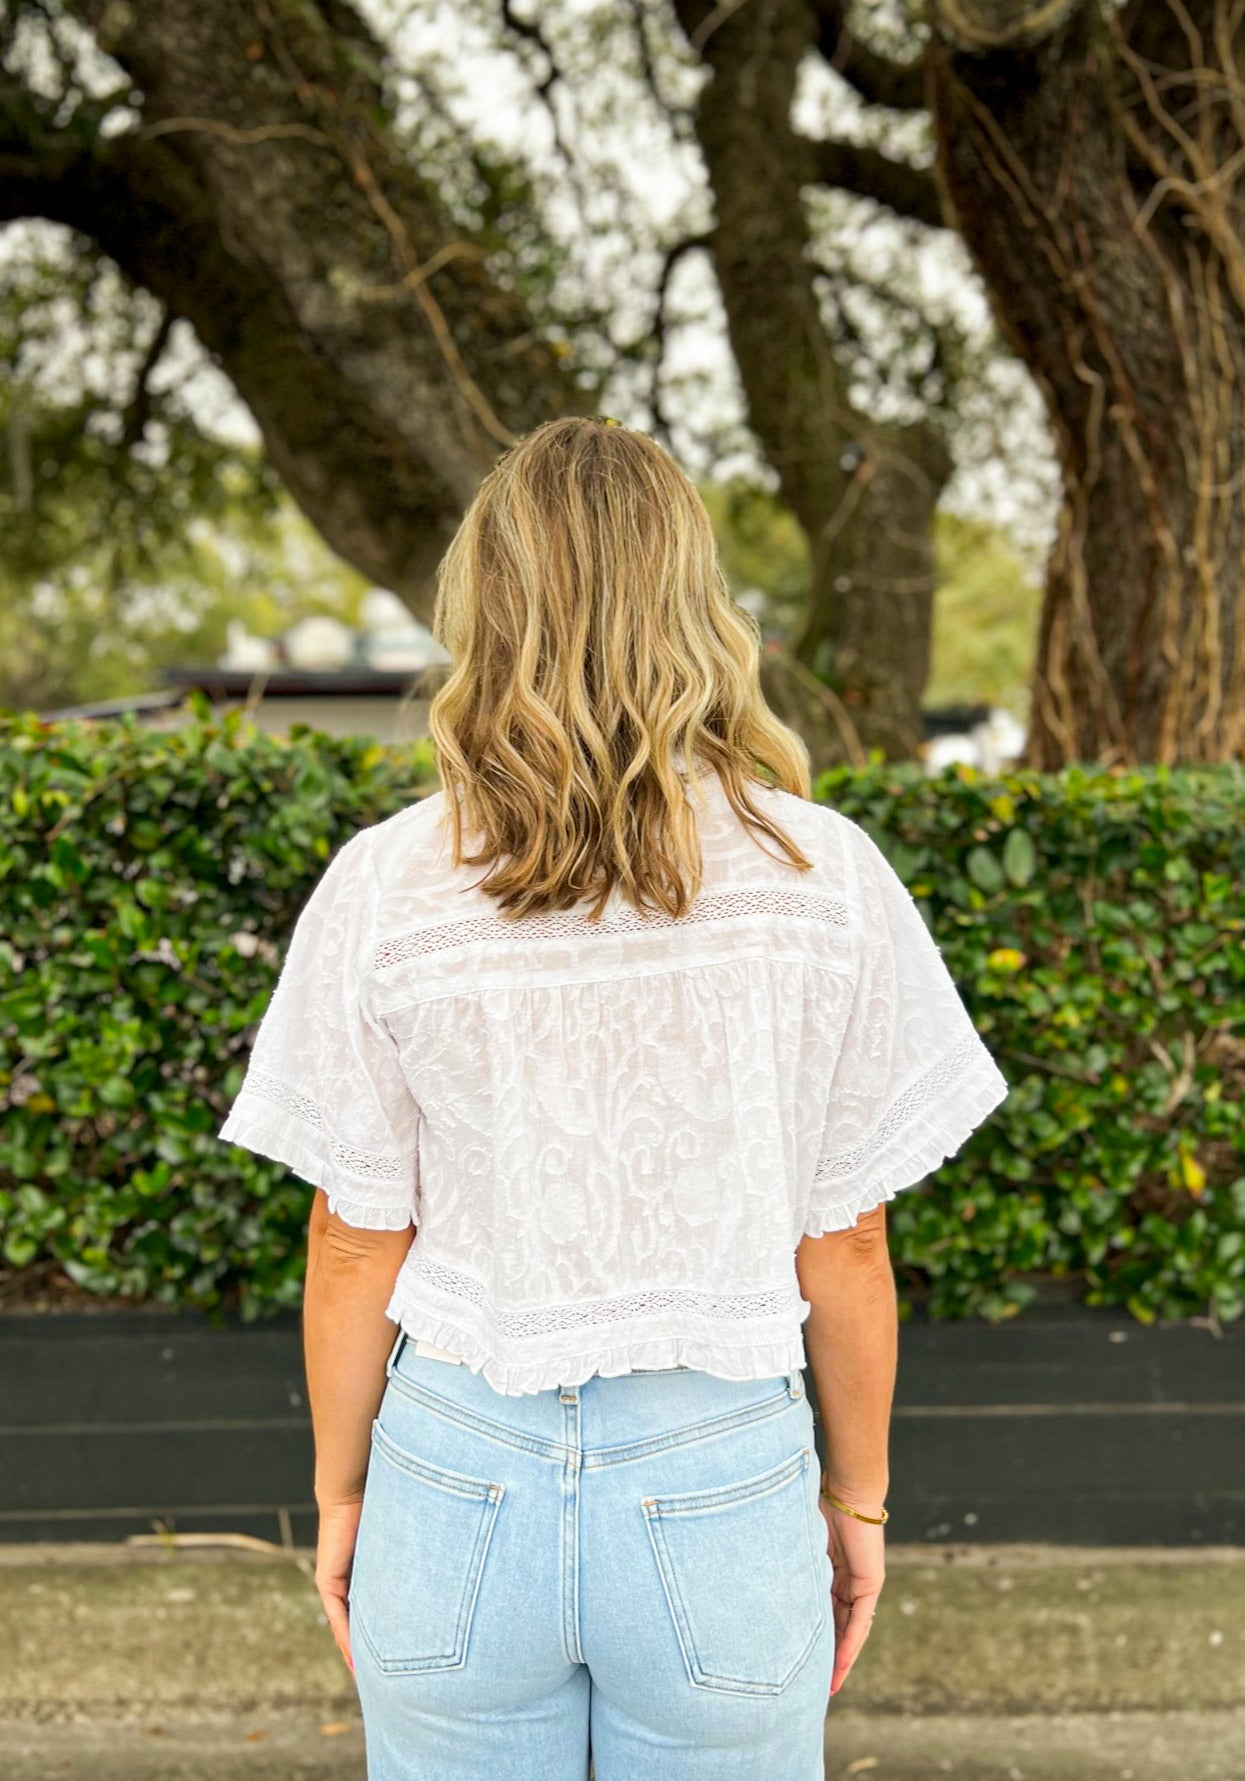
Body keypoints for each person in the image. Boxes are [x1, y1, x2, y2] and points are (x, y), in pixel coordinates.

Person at [218, 415, 1009, 1780]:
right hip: (720, 1471)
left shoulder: (387, 883)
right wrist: (860, 1500)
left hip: (455, 1472)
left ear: (487, 607)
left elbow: (353, 1240)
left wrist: (344, 1495)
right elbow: (848, 1239)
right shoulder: (821, 876)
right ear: (696, 603)